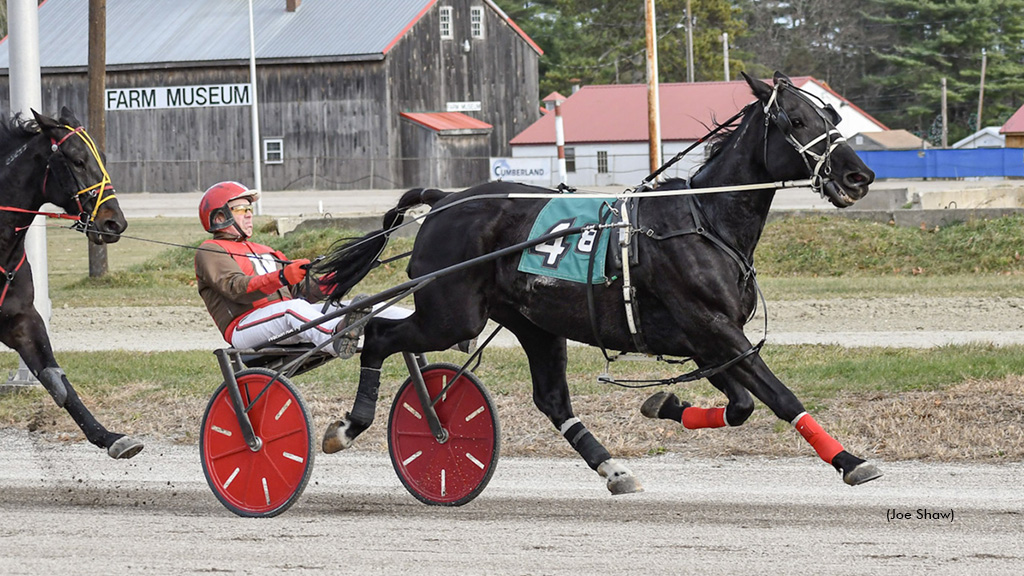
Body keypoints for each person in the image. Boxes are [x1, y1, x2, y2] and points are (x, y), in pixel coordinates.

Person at [194, 181, 403, 358]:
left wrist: (339, 278)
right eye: (240, 209)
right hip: (245, 327)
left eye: (249, 209)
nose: (249, 215)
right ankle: (335, 338)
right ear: (219, 217)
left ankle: (419, 323)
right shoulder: (211, 250)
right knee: (292, 308)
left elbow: (300, 292)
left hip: (287, 318)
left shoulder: (265, 250)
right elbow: (236, 288)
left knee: (366, 306)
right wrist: (282, 276)